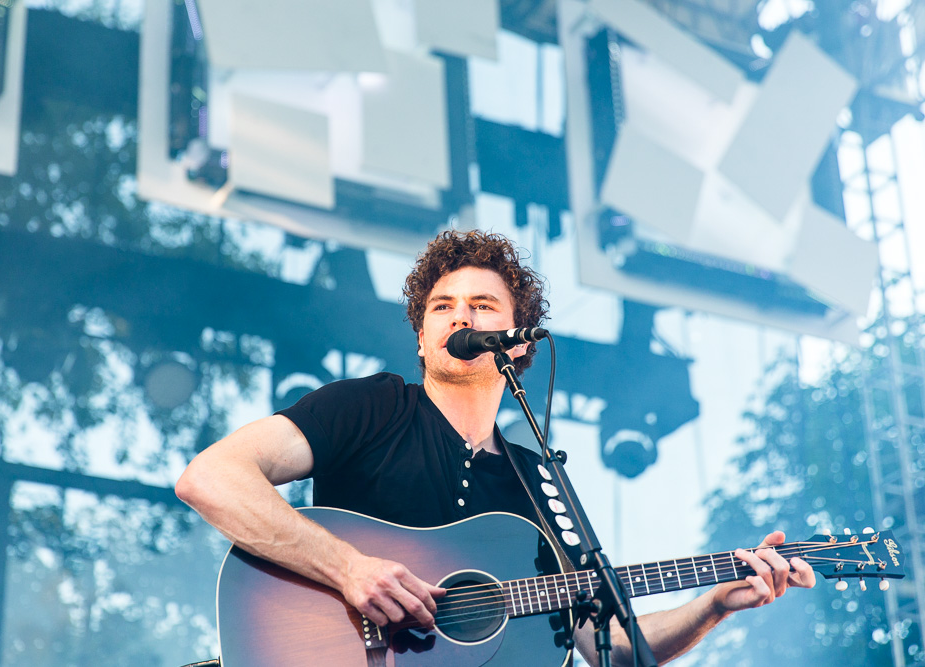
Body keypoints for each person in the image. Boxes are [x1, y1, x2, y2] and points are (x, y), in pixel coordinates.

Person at [176, 230, 816, 665]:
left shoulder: (539, 483)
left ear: (518, 344)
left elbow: (607, 644)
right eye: (441, 306)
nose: (461, 316)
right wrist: (350, 569)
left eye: (483, 305)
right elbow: (211, 478)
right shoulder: (369, 406)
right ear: (423, 340)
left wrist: (714, 603)